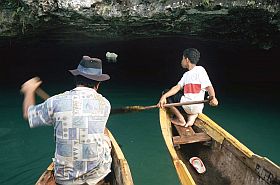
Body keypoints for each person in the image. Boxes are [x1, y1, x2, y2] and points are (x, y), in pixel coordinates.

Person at [21, 56, 112, 185]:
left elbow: (28, 114)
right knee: (106, 138)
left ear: (76, 79)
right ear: (98, 84)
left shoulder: (55, 102)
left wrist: (29, 90)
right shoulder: (105, 104)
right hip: (96, 175)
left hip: (65, 178)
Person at [158, 48, 218, 127]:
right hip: (198, 108)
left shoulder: (189, 74)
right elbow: (208, 86)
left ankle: (180, 119)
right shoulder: (199, 70)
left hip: (187, 106)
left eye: (182, 58)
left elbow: (176, 87)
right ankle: (192, 116)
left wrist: (164, 96)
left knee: (166, 92)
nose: (181, 61)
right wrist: (213, 97)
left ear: (186, 60)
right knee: (183, 93)